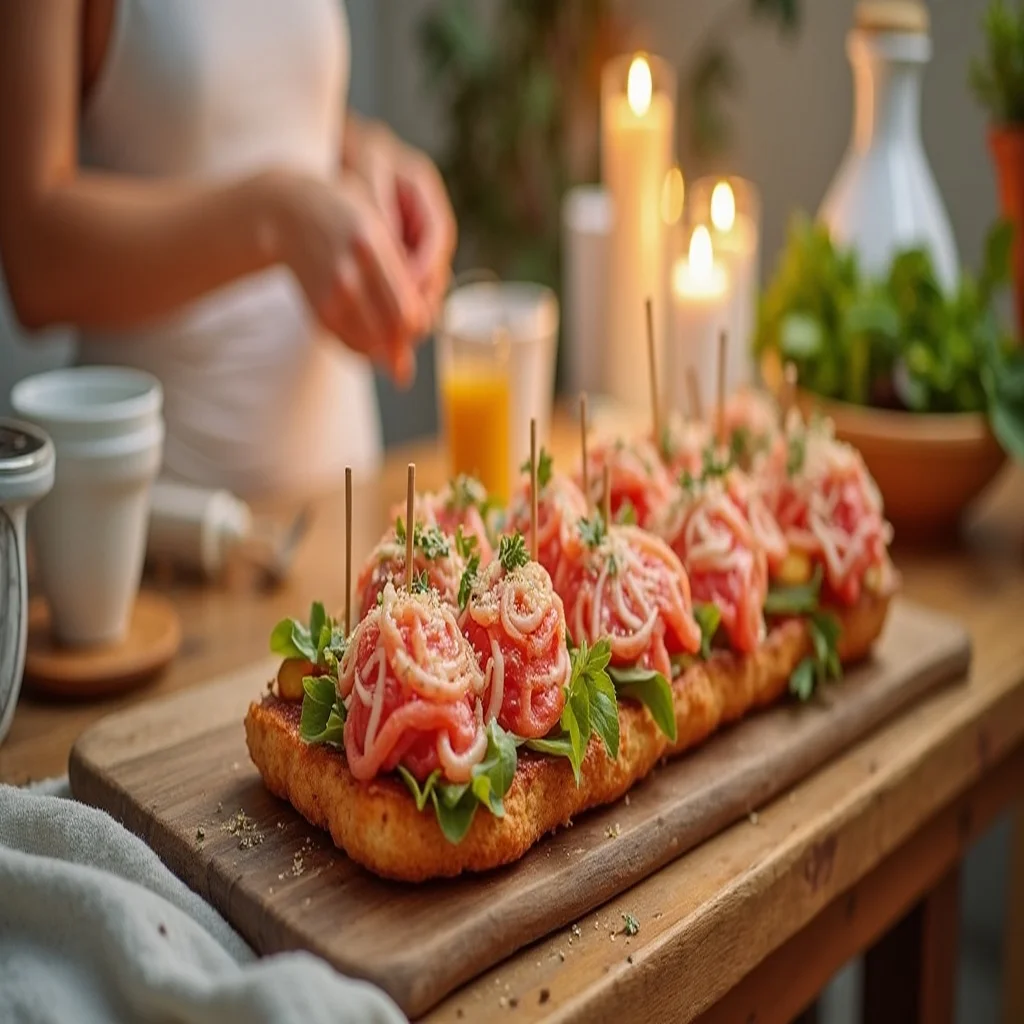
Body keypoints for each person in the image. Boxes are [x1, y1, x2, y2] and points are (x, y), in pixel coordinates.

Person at [0, 0, 456, 496]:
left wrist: (365, 150)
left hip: (339, 498)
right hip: (160, 521)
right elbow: (33, 260)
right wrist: (275, 219)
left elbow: (247, 100)